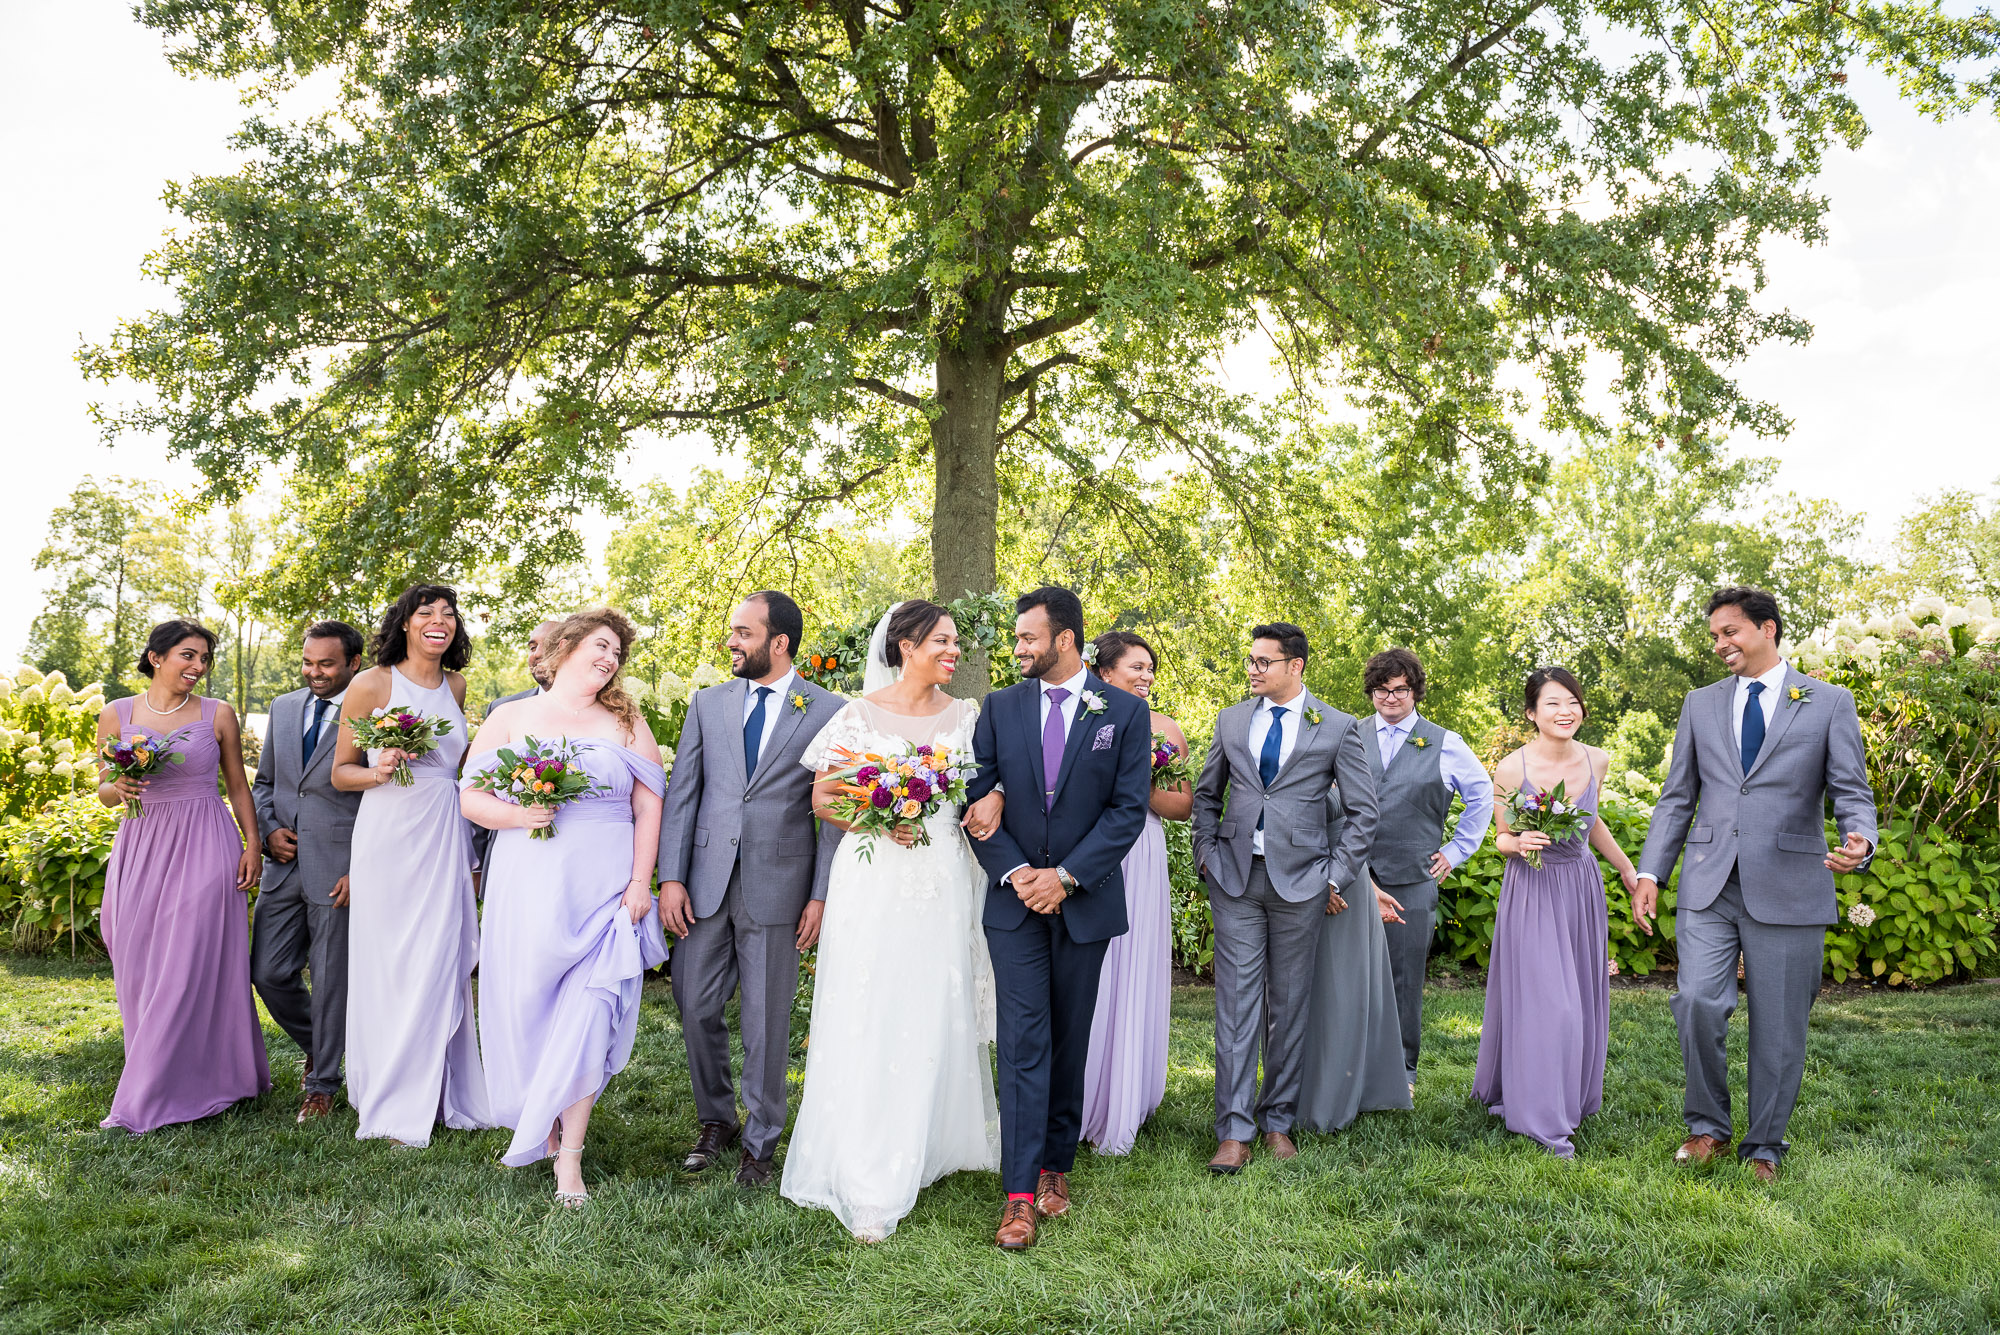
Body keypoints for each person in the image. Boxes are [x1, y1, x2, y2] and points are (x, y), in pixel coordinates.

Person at [1636, 586, 1876, 1181]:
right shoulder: (1700, 703)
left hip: (1792, 883)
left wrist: (1860, 841)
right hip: (1710, 884)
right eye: (1715, 635)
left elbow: (1850, 788)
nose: (1719, 644)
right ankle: (1707, 1128)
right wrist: (1650, 872)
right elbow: (1676, 797)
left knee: (1779, 1022)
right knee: (1695, 1001)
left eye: (1730, 632)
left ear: (1767, 629)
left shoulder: (1827, 702)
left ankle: (1764, 1144)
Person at [781, 601, 1001, 1241]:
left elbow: (991, 785)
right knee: (872, 1002)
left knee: (933, 999)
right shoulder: (858, 715)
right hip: (876, 874)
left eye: (956, 642)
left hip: (945, 877)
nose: (954, 651)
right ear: (905, 646)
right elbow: (824, 799)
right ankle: (869, 1171)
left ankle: (933, 1141)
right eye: (942, 641)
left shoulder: (968, 717)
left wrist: (993, 796)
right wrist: (882, 818)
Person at [964, 586, 1151, 1250]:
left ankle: (1056, 1166)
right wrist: (1020, 874)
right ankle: (1018, 1198)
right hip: (1013, 903)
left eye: (1026, 638)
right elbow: (977, 795)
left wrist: (1066, 877)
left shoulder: (1125, 713)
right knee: (1021, 1043)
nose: (1017, 648)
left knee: (1070, 1038)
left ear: (1065, 639)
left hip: (1084, 901)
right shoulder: (999, 707)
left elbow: (1127, 810)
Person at [462, 609, 669, 1206]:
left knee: (588, 1011)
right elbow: (470, 796)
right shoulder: (510, 717)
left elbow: (649, 804)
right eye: (600, 647)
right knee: (530, 1008)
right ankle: (544, 1125)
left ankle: (570, 1159)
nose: (609, 660)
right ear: (565, 647)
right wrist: (518, 814)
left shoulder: (626, 722)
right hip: (528, 883)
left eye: (616, 654)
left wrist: (639, 882)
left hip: (603, 887)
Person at [657, 591, 844, 1186]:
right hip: (705, 883)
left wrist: (819, 895)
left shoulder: (828, 708)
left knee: (766, 1019)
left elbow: (833, 814)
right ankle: (717, 1118)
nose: (732, 642)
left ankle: (760, 1143)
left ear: (778, 642)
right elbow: (683, 793)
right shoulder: (707, 704)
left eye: (743, 632)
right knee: (694, 1004)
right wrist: (672, 877)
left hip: (780, 886)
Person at [1192, 623, 1377, 1173]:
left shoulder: (1338, 726)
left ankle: (1278, 1122)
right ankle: (1233, 1130)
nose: (1252, 669)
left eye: (1263, 661)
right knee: (1236, 1005)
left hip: (1303, 885)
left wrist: (1334, 877)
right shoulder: (1231, 720)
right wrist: (1206, 851)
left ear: (1295, 665)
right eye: (1250, 660)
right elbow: (1207, 794)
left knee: (1289, 1006)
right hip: (1235, 879)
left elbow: (1364, 814)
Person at [94, 620, 270, 1133]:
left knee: (189, 959)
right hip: (142, 844)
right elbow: (103, 791)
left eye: (203, 660)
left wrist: (252, 845)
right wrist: (120, 785)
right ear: (156, 657)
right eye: (187, 656)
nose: (197, 668)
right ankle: (166, 1067)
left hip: (205, 841)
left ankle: (154, 1090)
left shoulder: (218, 714)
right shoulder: (116, 714)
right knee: (140, 959)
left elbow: (238, 785)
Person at [334, 583, 494, 1147]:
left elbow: (458, 765)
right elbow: (340, 773)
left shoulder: (456, 684)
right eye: (427, 613)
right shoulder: (372, 683)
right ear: (404, 623)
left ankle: (443, 1090)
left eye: (448, 615)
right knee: (392, 960)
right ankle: (393, 1097)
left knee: (441, 956)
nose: (439, 622)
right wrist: (380, 768)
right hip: (388, 834)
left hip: (444, 833)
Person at [1472, 666, 1639, 1158]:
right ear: (1532, 713)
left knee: (1579, 1000)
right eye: (1553, 703)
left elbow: (1592, 822)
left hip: (1579, 888)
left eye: (1573, 701)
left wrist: (1627, 869)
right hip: (1533, 888)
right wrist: (1518, 841)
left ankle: (1567, 1096)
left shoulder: (1598, 760)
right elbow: (1500, 836)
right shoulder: (1510, 767)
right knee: (1554, 1006)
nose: (1566, 711)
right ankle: (1544, 1121)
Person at [1359, 647, 1494, 1095]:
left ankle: (1402, 1073)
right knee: (1348, 973)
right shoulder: (1350, 736)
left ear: (1415, 690)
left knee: (1403, 977)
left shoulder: (1446, 742)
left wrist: (1456, 852)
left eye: (1400, 689)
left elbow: (1483, 796)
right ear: (1372, 692)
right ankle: (1349, 1067)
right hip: (1353, 877)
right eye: (1382, 690)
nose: (1391, 698)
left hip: (1412, 880)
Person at [1077, 630, 1189, 1155]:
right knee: (1091, 970)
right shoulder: (1078, 719)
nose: (1145, 676)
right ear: (1103, 672)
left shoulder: (1165, 729)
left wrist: (1137, 781)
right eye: (1134, 668)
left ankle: (1128, 1095)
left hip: (1140, 852)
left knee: (1134, 960)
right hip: (1087, 848)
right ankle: (1079, 1096)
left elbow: (1181, 805)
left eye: (1149, 669)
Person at [251, 620, 366, 1122]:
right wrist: (270, 827)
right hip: (283, 865)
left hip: (339, 868)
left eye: (326, 664)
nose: (313, 672)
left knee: (329, 978)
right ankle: (322, 1046)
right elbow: (267, 782)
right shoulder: (282, 707)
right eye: (307, 662)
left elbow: (385, 802)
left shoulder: (373, 715)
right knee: (268, 973)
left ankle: (321, 1086)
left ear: (353, 664)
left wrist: (361, 866)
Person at [471, 617, 564, 879]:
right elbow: (479, 785)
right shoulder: (502, 709)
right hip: (509, 855)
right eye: (532, 646)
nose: (538, 654)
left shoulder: (600, 710)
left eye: (550, 645)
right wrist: (477, 864)